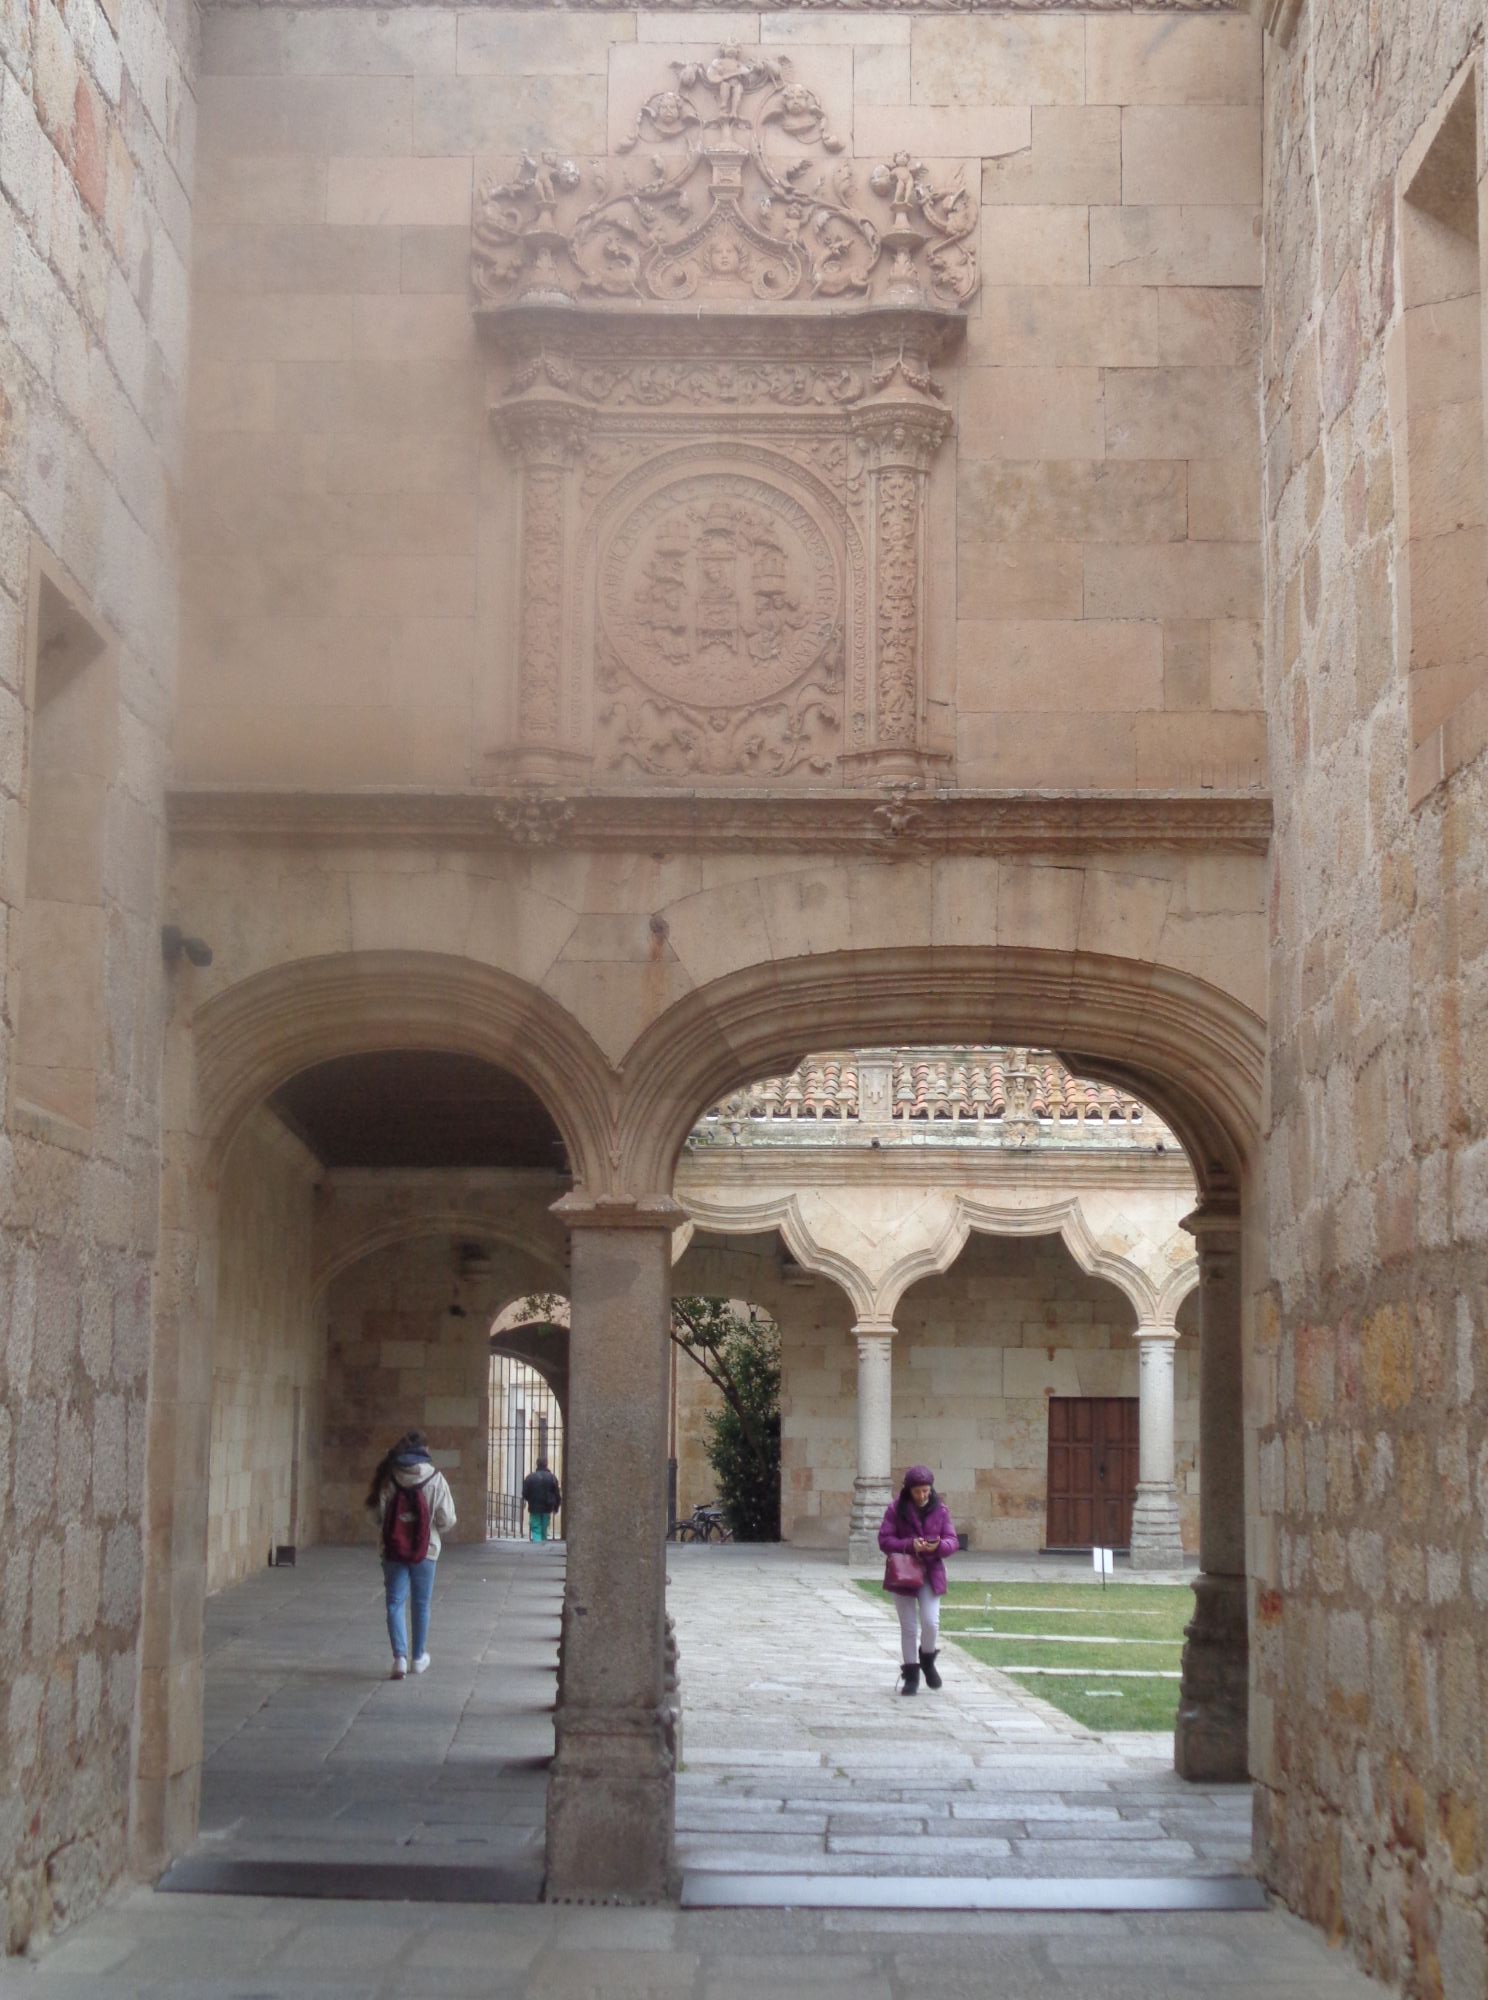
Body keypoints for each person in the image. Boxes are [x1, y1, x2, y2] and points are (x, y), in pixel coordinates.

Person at [366, 1430, 456, 1681]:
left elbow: (375, 1516)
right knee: (421, 1602)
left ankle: (399, 1658)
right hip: (426, 1550)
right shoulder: (435, 1478)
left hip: (393, 1549)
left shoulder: (388, 1477)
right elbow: (447, 1519)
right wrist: (429, 1526)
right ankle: (418, 1658)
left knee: (395, 1601)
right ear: (424, 1451)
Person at [878, 1463, 959, 1696]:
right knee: (909, 1627)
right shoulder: (895, 1509)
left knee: (931, 1622)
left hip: (931, 1573)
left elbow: (952, 1541)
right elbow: (884, 1540)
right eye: (917, 1491)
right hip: (904, 1573)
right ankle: (911, 1675)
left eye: (926, 1490)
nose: (922, 1495)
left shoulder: (941, 1510)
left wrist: (938, 1546)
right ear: (908, 1491)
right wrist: (909, 1545)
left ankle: (927, 1658)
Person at [521, 1458, 562, 1542]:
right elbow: (557, 1494)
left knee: (536, 1525)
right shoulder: (552, 1477)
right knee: (544, 1525)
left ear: (537, 1464)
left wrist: (530, 1499)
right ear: (546, 1464)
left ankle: (537, 1542)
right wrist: (556, 1507)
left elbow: (524, 1493)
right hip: (548, 1505)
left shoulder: (530, 1477)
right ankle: (543, 1541)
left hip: (534, 1505)